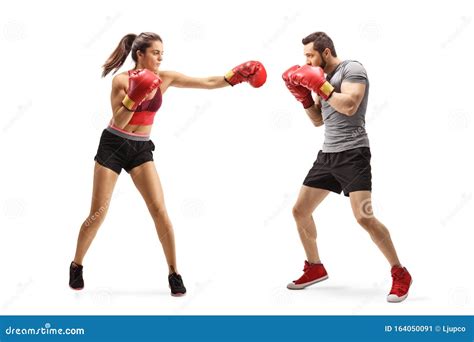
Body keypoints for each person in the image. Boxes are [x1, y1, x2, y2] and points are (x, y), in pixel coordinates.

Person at [69, 32, 266, 296]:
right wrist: (135, 95)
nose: (160, 58)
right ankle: (76, 264)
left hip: (140, 148)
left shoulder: (165, 79)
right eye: (155, 52)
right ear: (140, 54)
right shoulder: (121, 81)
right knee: (99, 213)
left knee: (160, 211)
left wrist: (236, 76)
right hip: (114, 145)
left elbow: (207, 81)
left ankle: (174, 273)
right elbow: (120, 122)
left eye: (162, 53)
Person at [282, 31, 412, 303]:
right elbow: (319, 121)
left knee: (364, 217)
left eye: (310, 55)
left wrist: (322, 87)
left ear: (325, 52)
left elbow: (350, 106)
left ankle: (400, 273)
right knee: (300, 210)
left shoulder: (352, 69)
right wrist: (304, 97)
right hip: (327, 155)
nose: (305, 60)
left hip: (354, 154)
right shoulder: (322, 79)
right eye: (304, 55)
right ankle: (315, 267)